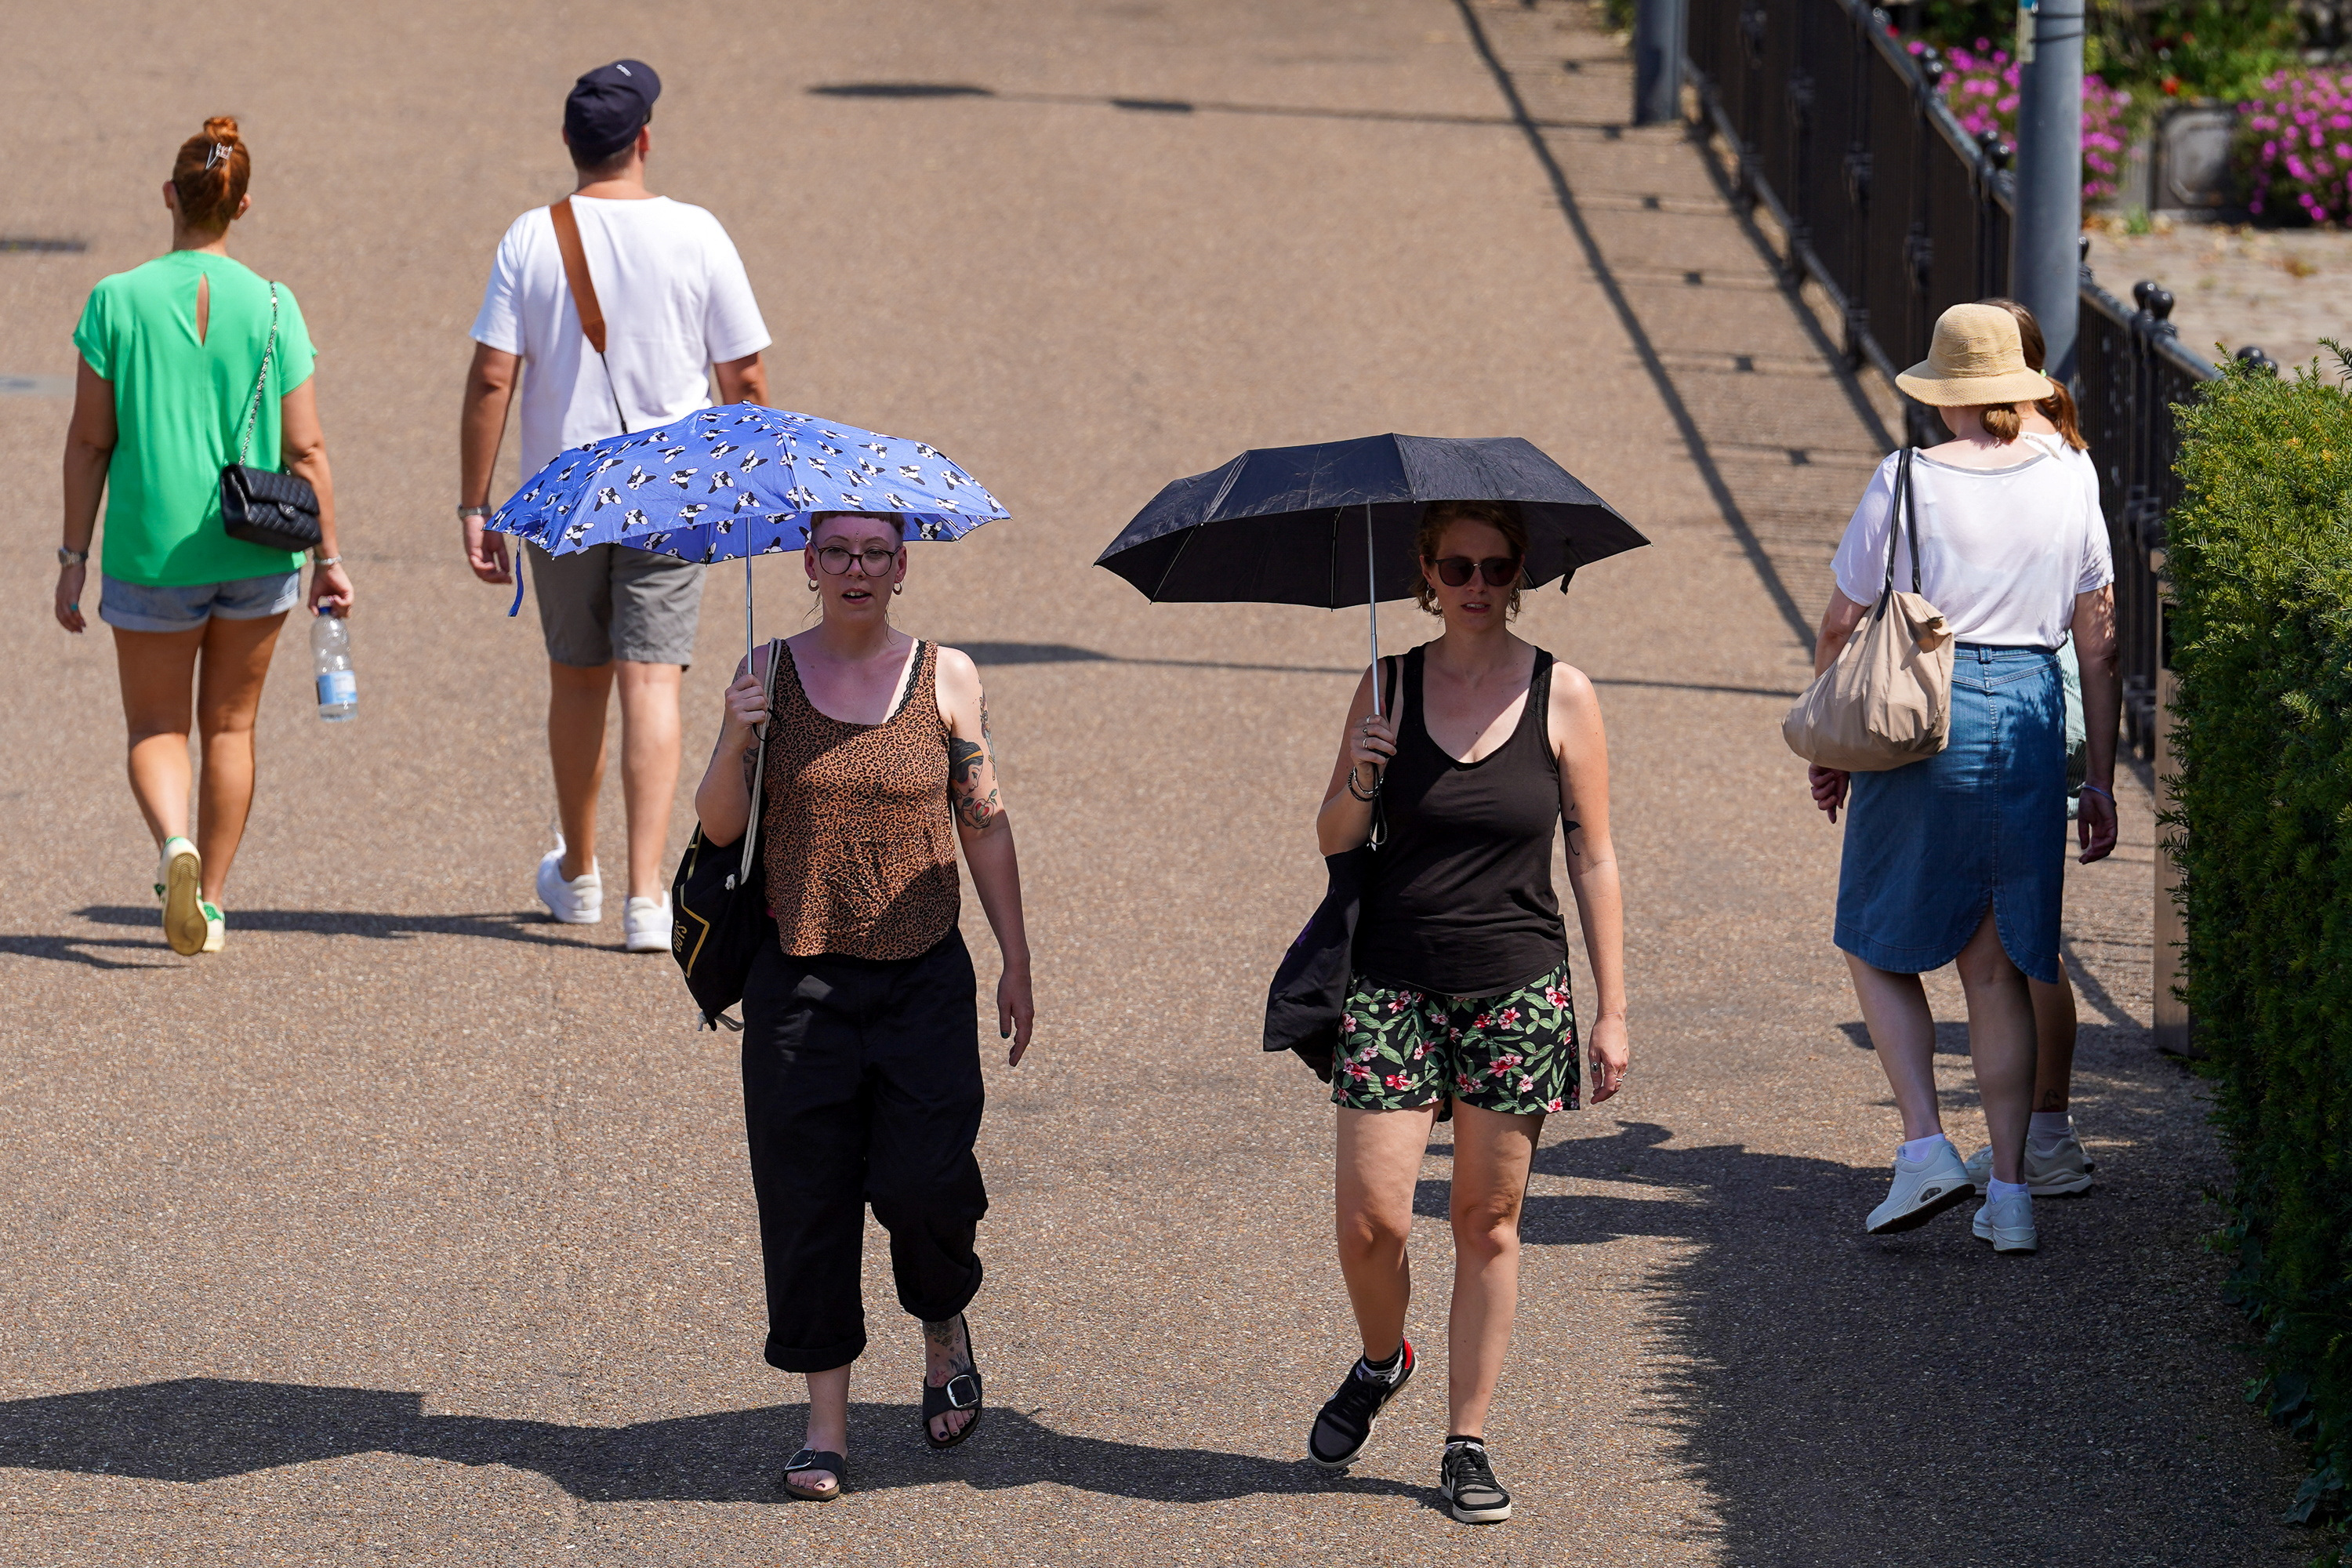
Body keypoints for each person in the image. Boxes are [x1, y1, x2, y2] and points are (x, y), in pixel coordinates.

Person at [691, 511, 1035, 1502]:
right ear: (806, 563)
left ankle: (941, 1324)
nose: (855, 568)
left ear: (901, 566)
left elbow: (987, 823)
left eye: (874, 553)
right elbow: (717, 825)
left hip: (924, 973)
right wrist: (733, 729)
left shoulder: (948, 676)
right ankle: (826, 1422)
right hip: (798, 979)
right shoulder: (767, 669)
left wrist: (1017, 956)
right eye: (836, 551)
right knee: (808, 1201)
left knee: (926, 1183)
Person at [1307, 499, 1628, 1526]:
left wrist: (1612, 1010)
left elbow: (1593, 853)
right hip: (1393, 987)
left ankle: (1466, 1439)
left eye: (1495, 566)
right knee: (1373, 1223)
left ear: (1519, 572)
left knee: (1487, 1222)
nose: (1476, 584)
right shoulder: (1388, 684)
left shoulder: (1564, 694)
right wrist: (1362, 774)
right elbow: (1334, 837)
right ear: (1427, 574)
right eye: (1458, 566)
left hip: (1518, 987)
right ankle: (1380, 1356)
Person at [1806, 303, 2120, 1256]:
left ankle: (1925, 1145)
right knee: (1998, 966)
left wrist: (1831, 740)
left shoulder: (1907, 479)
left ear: (1944, 390)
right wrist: (2099, 777)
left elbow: (1839, 623)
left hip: (1925, 709)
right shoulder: (2072, 474)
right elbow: (2099, 642)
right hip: (2027, 709)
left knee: (1871, 934)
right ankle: (2016, 1193)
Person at [459, 59, 771, 954]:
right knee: (653, 678)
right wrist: (740, 482)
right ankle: (645, 898)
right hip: (669, 487)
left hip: (562, 491)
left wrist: (475, 504)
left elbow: (492, 376)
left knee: (577, 675)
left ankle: (581, 873)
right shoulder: (698, 234)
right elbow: (743, 375)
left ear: (570, 143)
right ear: (643, 140)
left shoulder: (532, 236)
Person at [56, 117, 352, 957]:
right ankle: (213, 902)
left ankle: (171, 845)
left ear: (169, 197)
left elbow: (89, 442)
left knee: (156, 727)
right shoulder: (273, 303)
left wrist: (73, 560)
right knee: (231, 727)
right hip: (258, 545)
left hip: (151, 549)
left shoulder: (116, 300)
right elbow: (308, 448)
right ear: (242, 205)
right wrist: (329, 557)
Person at [1956, 297, 2100, 1199]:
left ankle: (2046, 1135)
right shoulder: (2066, 447)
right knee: (2023, 932)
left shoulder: (2029, 455)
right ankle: (2044, 1131)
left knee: (2020, 939)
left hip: (2026, 695)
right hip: (2053, 694)